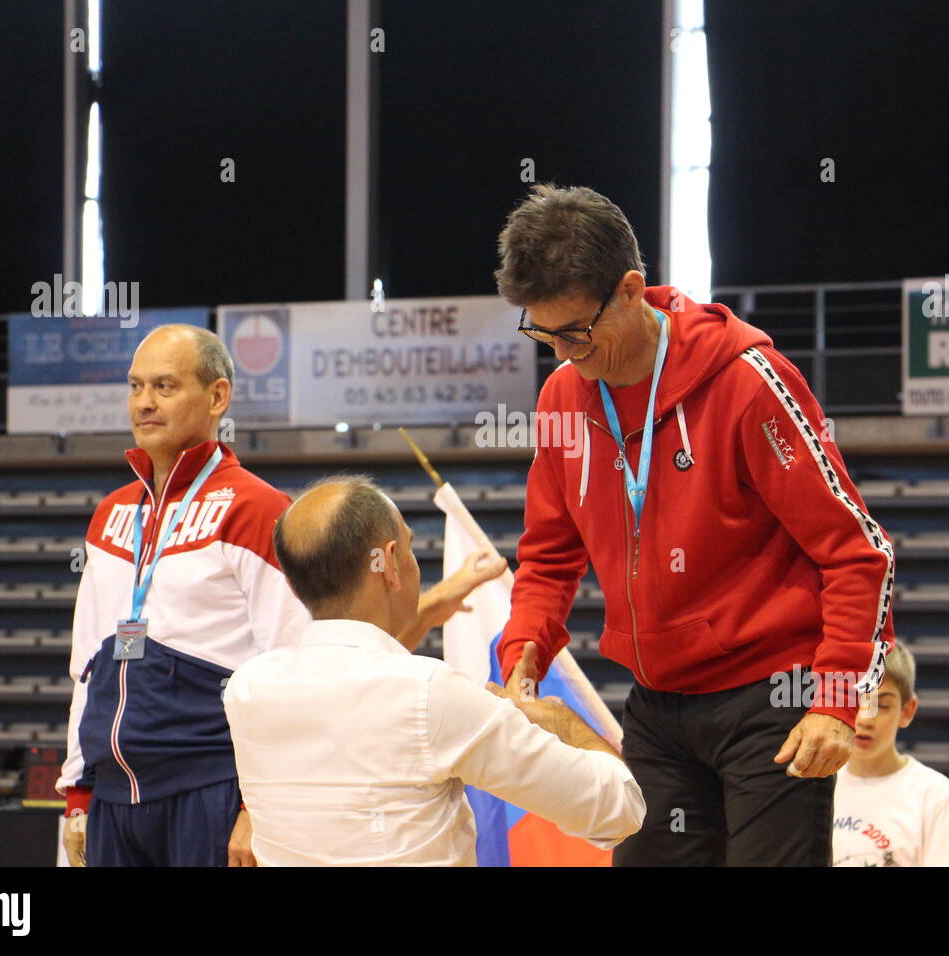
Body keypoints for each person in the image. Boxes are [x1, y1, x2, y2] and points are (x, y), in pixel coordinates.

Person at [493, 184, 897, 866]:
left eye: (574, 332)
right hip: (657, 704)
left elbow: (860, 554)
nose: (562, 353)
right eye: (542, 333)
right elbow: (550, 553)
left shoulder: (747, 381)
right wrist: (524, 645)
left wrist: (834, 700)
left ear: (629, 289)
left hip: (772, 699)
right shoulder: (563, 397)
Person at [58, 324, 501, 867]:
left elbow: (302, 673)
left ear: (218, 396)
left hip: (210, 791)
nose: (144, 403)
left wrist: (256, 808)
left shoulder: (260, 511)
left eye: (165, 387)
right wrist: (77, 794)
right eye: (135, 386)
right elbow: (87, 668)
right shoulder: (110, 515)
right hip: (111, 801)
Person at [221, 476, 645, 865]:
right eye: (407, 547)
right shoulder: (431, 694)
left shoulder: (247, 689)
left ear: (295, 582)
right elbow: (619, 808)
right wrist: (562, 721)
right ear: (387, 562)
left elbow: (351, 676)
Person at [832, 645, 949, 866]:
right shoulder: (816, 785)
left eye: (881, 705)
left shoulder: (934, 795)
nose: (865, 719)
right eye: (855, 701)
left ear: (907, 711)